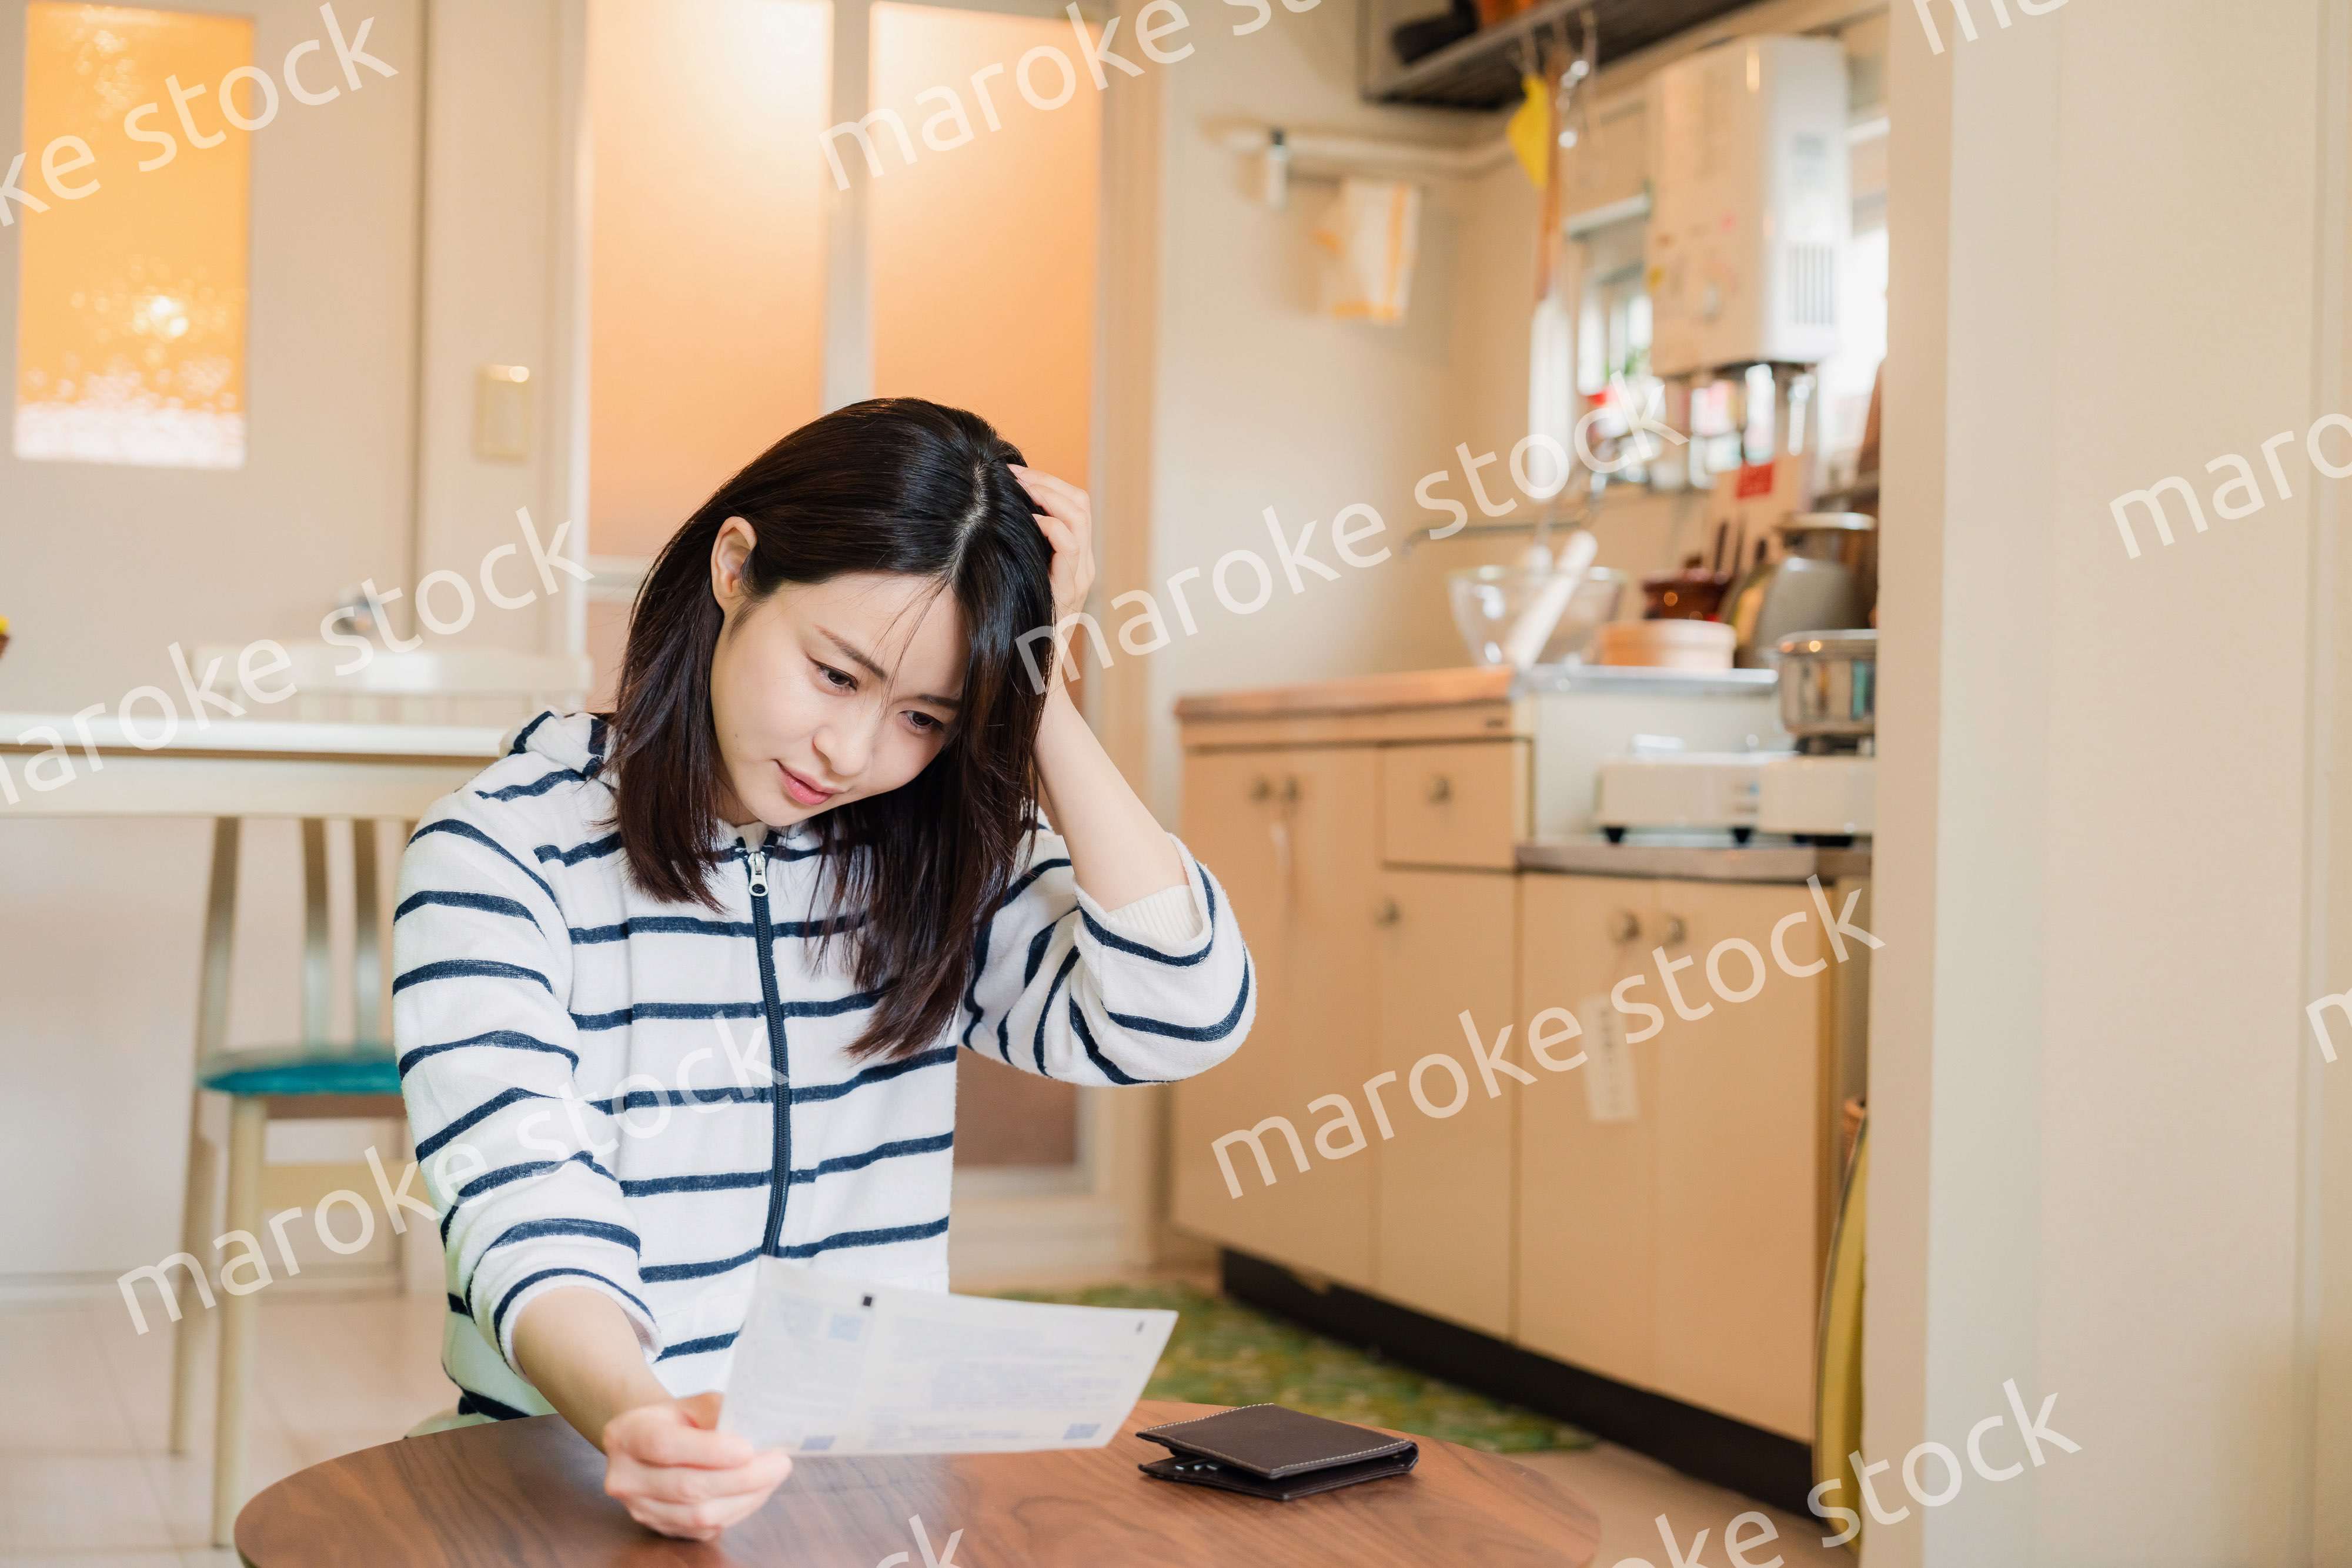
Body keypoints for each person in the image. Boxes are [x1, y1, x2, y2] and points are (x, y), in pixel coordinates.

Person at [393, 398, 1255, 1540]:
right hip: (575, 1454)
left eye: (923, 715)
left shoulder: (932, 849)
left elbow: (1179, 1013)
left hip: (865, 1476)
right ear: (735, 567)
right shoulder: (501, 850)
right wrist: (641, 1418)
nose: (850, 752)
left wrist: (1035, 679)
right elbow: (524, 1202)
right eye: (835, 674)